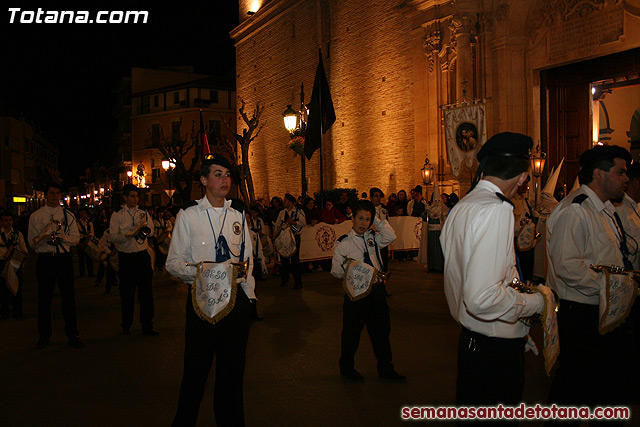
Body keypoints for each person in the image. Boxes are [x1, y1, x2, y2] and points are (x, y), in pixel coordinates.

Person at [440, 133, 546, 408]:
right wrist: (534, 302)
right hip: (492, 349)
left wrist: (517, 330)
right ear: (523, 177)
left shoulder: (463, 206)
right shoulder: (495, 209)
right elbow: (481, 297)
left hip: (474, 339)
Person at [546, 144, 634, 422]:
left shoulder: (605, 211)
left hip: (604, 310)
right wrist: (614, 287)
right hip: (582, 315)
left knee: (601, 388)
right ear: (599, 174)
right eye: (620, 172)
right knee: (573, 389)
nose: (626, 179)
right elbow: (567, 266)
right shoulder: (576, 210)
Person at [166, 154, 255, 427]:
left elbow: (248, 259)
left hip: (236, 301)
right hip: (201, 302)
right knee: (196, 372)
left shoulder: (238, 213)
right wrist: (205, 273)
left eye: (227, 174)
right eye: (217, 174)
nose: (224, 180)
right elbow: (173, 263)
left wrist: (250, 298)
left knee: (232, 374)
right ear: (204, 180)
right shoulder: (189, 215)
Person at [331, 200, 406, 382]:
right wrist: (353, 269)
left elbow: (390, 236)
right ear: (352, 218)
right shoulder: (344, 243)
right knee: (352, 333)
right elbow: (335, 271)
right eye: (360, 218)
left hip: (376, 292)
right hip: (355, 295)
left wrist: (378, 220)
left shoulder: (373, 238)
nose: (363, 223)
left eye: (368, 219)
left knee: (381, 332)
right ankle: (347, 368)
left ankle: (385, 368)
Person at [28, 182, 84, 349]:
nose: (55, 196)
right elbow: (32, 242)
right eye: (52, 193)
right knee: (44, 299)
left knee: (69, 298)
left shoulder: (68, 215)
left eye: (57, 193)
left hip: (63, 258)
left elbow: (76, 239)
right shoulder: (36, 216)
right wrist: (45, 236)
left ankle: (72, 335)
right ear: (46, 195)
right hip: (46, 259)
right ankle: (44, 335)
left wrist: (62, 237)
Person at [109, 183, 157, 336]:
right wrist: (127, 235)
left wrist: (143, 231)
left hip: (141, 256)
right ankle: (126, 324)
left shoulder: (143, 212)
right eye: (132, 196)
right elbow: (113, 236)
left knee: (146, 294)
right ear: (125, 197)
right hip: (126, 258)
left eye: (137, 196)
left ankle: (147, 325)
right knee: (127, 294)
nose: (135, 199)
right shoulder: (117, 214)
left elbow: (151, 231)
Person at [274, 193, 306, 289]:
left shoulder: (298, 211)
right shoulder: (282, 213)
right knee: (284, 260)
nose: (284, 202)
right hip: (284, 238)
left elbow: (303, 222)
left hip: (294, 238)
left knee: (295, 260)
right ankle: (285, 280)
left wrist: (294, 222)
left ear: (291, 202)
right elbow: (277, 224)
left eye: (286, 200)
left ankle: (298, 282)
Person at [0, 211, 28, 320]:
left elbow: (24, 249)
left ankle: (17, 311)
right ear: (1, 221)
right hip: (2, 262)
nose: (8, 223)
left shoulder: (17, 234)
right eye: (5, 220)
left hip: (15, 263)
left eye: (10, 220)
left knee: (17, 287)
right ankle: (5, 311)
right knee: (3, 288)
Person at [76, 208, 95, 278]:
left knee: (89, 258)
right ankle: (82, 273)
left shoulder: (89, 223)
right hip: (80, 241)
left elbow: (92, 233)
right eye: (82, 213)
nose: (83, 215)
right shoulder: (77, 223)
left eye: (84, 213)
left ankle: (90, 272)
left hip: (88, 241)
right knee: (81, 259)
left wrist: (88, 239)